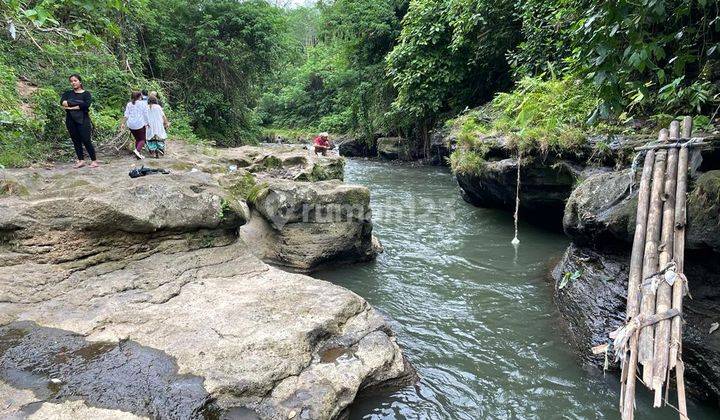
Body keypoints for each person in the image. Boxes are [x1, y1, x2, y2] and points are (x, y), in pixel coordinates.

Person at [61, 74, 99, 168]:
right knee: (75, 140)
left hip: (83, 119)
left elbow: (86, 105)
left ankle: (94, 160)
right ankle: (81, 160)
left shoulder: (86, 94)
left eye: (75, 80)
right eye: (71, 81)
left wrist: (71, 105)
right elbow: (63, 103)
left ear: (80, 82)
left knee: (86, 139)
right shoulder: (67, 93)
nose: (73, 83)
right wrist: (78, 104)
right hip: (70, 119)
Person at [121, 91, 149, 159]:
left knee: (137, 139)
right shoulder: (142, 103)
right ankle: (137, 151)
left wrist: (123, 123)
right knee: (142, 139)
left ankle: (138, 155)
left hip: (131, 124)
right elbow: (145, 114)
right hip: (139, 124)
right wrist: (147, 123)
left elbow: (126, 115)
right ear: (139, 96)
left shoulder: (129, 104)